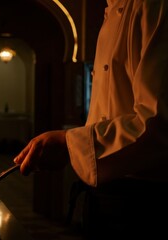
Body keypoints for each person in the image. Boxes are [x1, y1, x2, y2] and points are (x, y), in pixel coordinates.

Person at [14, 0, 168, 238]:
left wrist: (69, 144)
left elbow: (157, 125)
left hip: (145, 207)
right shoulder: (111, 10)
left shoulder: (153, 6)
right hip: (105, 199)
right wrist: (75, 147)